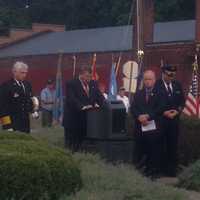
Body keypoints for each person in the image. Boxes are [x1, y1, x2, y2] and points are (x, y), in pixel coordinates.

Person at [63, 66, 105, 151]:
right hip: (73, 121)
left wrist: (107, 105)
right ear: (81, 75)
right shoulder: (71, 84)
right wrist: (83, 106)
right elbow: (72, 99)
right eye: (87, 76)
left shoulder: (93, 84)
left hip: (88, 121)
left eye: (90, 76)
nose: (89, 79)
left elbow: (100, 97)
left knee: (84, 147)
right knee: (72, 147)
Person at [131, 70, 163, 178]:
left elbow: (160, 108)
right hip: (140, 128)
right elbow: (133, 108)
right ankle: (137, 173)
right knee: (139, 151)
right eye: (145, 79)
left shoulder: (160, 93)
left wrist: (148, 116)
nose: (147, 81)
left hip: (153, 129)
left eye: (150, 79)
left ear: (154, 80)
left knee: (152, 152)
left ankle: (152, 173)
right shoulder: (138, 93)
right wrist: (139, 116)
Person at [154, 65, 185, 177]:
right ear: (163, 73)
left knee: (172, 146)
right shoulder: (156, 85)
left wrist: (177, 111)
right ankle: (160, 170)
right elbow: (153, 103)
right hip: (161, 121)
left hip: (174, 122)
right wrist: (163, 112)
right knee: (160, 146)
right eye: (169, 74)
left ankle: (171, 171)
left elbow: (182, 101)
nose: (171, 77)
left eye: (173, 75)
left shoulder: (177, 85)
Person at [0, 61, 38, 133]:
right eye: (22, 73)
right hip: (13, 123)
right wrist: (7, 125)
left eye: (25, 73)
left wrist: (33, 110)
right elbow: (2, 108)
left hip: (25, 123)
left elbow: (29, 100)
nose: (24, 75)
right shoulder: (6, 86)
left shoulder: (27, 84)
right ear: (14, 72)